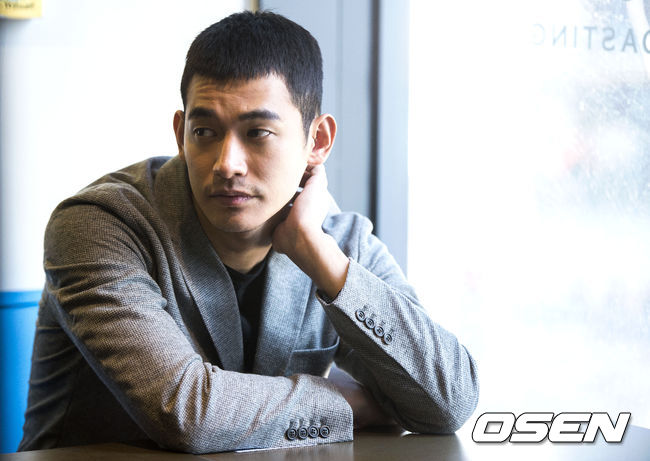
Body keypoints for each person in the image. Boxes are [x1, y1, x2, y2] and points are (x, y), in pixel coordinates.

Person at [18, 11, 478, 454]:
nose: (227, 164)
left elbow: (450, 400)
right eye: (205, 132)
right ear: (180, 134)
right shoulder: (98, 225)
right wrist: (351, 405)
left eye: (257, 132)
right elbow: (185, 413)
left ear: (317, 141)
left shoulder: (337, 240)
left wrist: (322, 259)